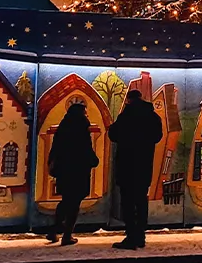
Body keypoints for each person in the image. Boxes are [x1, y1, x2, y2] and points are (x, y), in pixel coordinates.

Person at [108, 89, 164, 250]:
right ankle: (140, 235)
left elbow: (113, 135)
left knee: (127, 201)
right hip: (144, 164)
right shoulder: (153, 117)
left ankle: (131, 235)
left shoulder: (126, 116)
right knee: (140, 200)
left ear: (129, 100)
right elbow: (157, 137)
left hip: (126, 164)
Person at [46, 103, 99, 246]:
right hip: (79, 170)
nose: (87, 114)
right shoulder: (82, 127)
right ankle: (67, 235)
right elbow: (85, 149)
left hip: (64, 170)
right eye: (85, 112)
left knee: (65, 200)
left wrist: (52, 164)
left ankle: (55, 229)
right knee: (74, 203)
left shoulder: (63, 126)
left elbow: (55, 148)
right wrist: (94, 160)